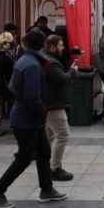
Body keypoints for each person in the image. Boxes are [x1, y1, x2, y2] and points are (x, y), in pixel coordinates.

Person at [0, 30, 67, 208]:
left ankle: (47, 189)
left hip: (27, 117)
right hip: (27, 119)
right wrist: (42, 111)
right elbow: (32, 97)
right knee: (24, 158)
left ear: (25, 44)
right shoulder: (32, 65)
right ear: (42, 45)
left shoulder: (24, 60)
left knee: (44, 152)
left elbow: (13, 87)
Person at [42, 34, 77, 182]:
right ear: (52, 46)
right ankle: (55, 168)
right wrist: (72, 71)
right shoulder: (52, 63)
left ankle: (48, 165)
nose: (63, 48)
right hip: (54, 105)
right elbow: (62, 79)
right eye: (60, 45)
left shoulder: (45, 59)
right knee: (62, 135)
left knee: (50, 136)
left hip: (47, 104)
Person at [0, 32, 16, 136]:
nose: (9, 45)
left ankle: (7, 125)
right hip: (5, 84)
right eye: (8, 43)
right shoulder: (3, 55)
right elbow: (5, 71)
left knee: (2, 106)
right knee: (1, 107)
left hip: (3, 84)